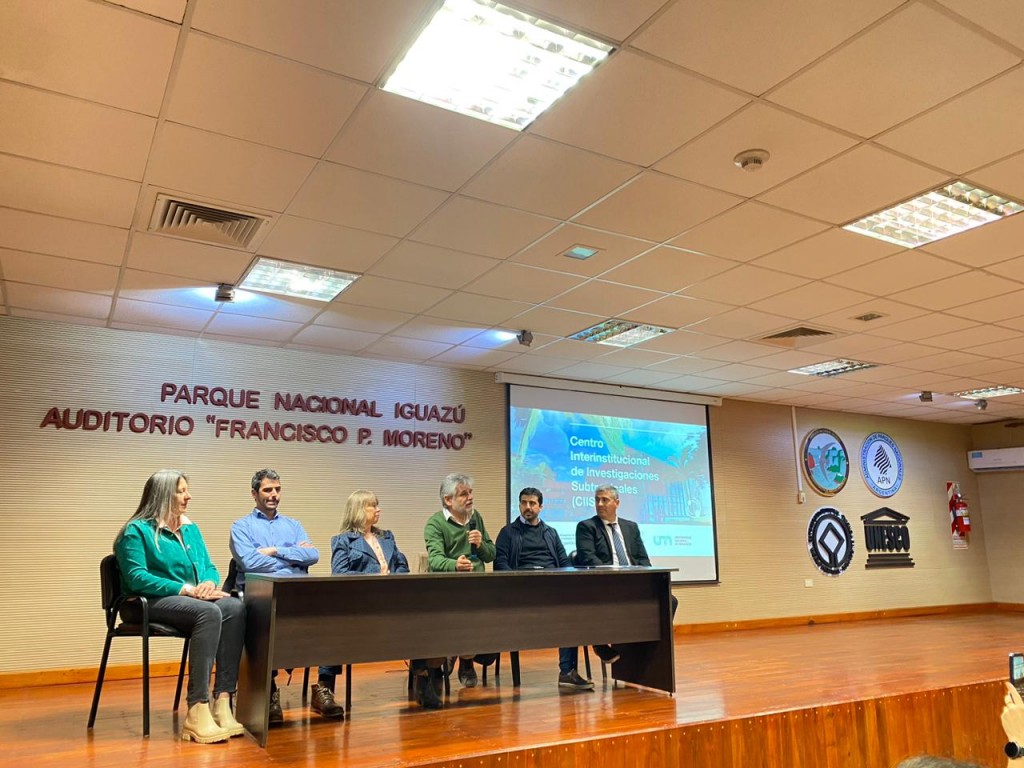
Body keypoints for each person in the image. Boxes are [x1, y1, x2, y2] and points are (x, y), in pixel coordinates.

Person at [113, 470, 245, 744]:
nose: (189, 496)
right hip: (144, 602)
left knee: (234, 608)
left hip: (188, 599)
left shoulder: (189, 528)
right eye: (181, 491)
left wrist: (207, 583)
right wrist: (186, 589)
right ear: (163, 494)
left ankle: (223, 701)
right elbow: (137, 578)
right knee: (208, 612)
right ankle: (197, 708)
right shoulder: (135, 531)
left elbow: (208, 566)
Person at [323, 490, 444, 709]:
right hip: (361, 605)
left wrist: (394, 579)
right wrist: (375, 577)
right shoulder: (343, 541)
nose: (378, 510)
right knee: (330, 625)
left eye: (377, 505)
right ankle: (325, 688)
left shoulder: (387, 537)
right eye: (372, 506)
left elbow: (402, 565)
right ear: (359, 510)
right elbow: (339, 574)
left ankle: (423, 678)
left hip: (393, 601)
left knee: (424, 618)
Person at [229, 469, 327, 722]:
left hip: (295, 593)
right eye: (267, 490)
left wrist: (274, 550)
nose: (274, 495)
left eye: (277, 489)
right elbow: (250, 563)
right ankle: (269, 689)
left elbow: (313, 555)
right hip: (258, 594)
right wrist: (292, 559)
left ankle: (324, 686)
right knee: (265, 621)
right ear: (254, 494)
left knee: (331, 618)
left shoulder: (293, 525)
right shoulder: (241, 526)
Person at [494, 487, 594, 691]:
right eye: (524, 503)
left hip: (551, 587)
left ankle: (567, 673)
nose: (527, 507)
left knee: (572, 610)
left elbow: (564, 562)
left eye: (532, 503)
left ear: (541, 507)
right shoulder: (508, 532)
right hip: (522, 590)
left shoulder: (550, 533)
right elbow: (500, 563)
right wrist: (516, 582)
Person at [575, 484, 678, 664]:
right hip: (605, 583)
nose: (600, 504)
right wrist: (616, 577)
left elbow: (642, 559)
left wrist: (645, 578)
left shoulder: (631, 527)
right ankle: (600, 644)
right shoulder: (587, 526)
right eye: (597, 500)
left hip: (634, 582)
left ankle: (650, 647)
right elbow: (588, 558)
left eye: (605, 500)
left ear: (617, 503)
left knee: (670, 600)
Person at [423, 472, 497, 688]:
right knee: (459, 615)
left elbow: (491, 554)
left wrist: (481, 544)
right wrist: (455, 564)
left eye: (471, 492)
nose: (470, 497)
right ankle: (456, 655)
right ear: (448, 499)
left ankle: (466, 658)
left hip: (477, 588)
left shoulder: (476, 518)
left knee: (492, 617)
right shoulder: (435, 524)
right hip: (449, 589)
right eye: (464, 494)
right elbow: (435, 560)